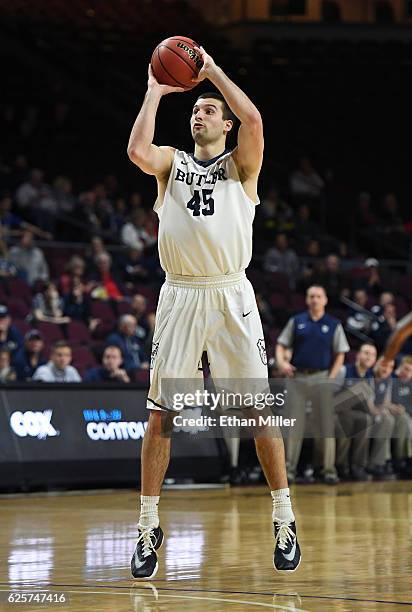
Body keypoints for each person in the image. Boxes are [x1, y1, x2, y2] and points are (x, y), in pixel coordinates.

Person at [127, 46, 301, 578]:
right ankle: (147, 524)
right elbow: (137, 150)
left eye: (207, 110)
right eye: (195, 110)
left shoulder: (242, 166)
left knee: (256, 412)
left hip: (230, 295)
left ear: (223, 123)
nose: (198, 114)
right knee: (163, 414)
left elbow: (254, 117)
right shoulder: (172, 164)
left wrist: (212, 73)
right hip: (179, 294)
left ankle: (284, 516)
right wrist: (157, 90)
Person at [275, 285, 350, 484]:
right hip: (297, 378)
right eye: (311, 296)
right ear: (307, 300)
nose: (315, 299)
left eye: (318, 296)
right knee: (293, 426)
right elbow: (281, 344)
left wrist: (331, 378)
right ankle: (288, 471)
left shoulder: (334, 324)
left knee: (325, 425)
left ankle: (327, 470)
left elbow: (341, 354)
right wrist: (282, 362)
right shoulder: (297, 321)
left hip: (321, 377)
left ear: (325, 300)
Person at [334, 343, 377, 481]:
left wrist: (380, 412)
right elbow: (331, 394)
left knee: (366, 420)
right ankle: (341, 465)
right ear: (358, 355)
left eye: (373, 355)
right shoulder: (344, 370)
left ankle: (358, 466)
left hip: (354, 412)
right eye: (366, 353)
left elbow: (369, 403)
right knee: (362, 388)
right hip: (336, 409)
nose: (369, 357)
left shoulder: (370, 376)